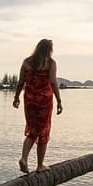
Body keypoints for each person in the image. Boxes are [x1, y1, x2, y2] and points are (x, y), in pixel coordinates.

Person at [13, 38, 63, 173]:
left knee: (33, 129)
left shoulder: (26, 62)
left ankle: (24, 158)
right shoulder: (50, 63)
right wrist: (59, 100)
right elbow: (53, 83)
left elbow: (20, 82)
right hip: (44, 101)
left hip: (29, 100)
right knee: (44, 130)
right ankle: (40, 165)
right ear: (49, 50)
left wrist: (16, 97)